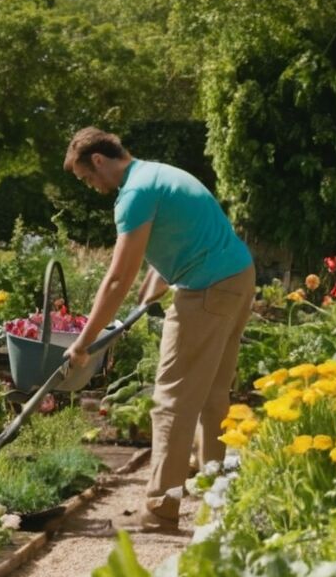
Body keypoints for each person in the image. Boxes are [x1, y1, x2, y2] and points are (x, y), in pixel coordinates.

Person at [63, 127, 256, 533]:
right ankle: (218, 501)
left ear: (98, 160)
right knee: (212, 396)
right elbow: (179, 235)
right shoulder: (158, 174)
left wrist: (84, 343)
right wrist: (156, 282)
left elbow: (117, 280)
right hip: (238, 276)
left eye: (87, 178)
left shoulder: (133, 196)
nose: (92, 187)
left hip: (207, 289)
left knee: (172, 399)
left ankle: (160, 510)